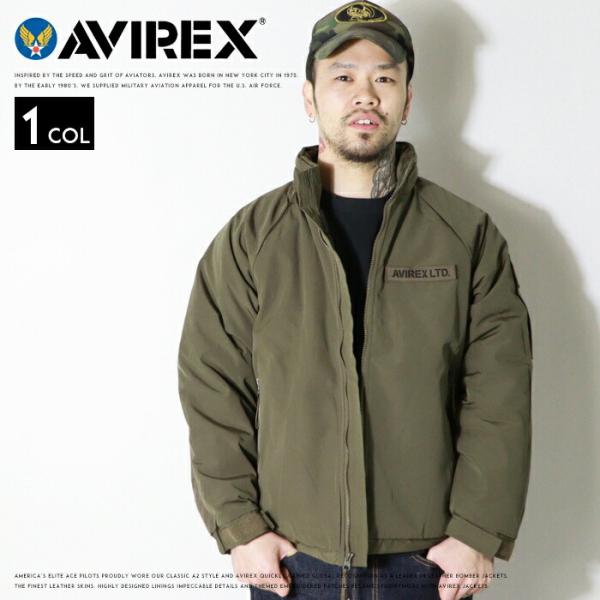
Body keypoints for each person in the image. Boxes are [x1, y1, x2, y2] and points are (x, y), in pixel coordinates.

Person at [177, 2, 533, 599]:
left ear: (407, 100)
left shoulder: (466, 235)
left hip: (428, 563)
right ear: (310, 97)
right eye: (343, 76)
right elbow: (212, 385)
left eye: (384, 78)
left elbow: (500, 389)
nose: (365, 94)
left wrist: (478, 531)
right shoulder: (252, 238)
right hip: (293, 561)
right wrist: (241, 528)